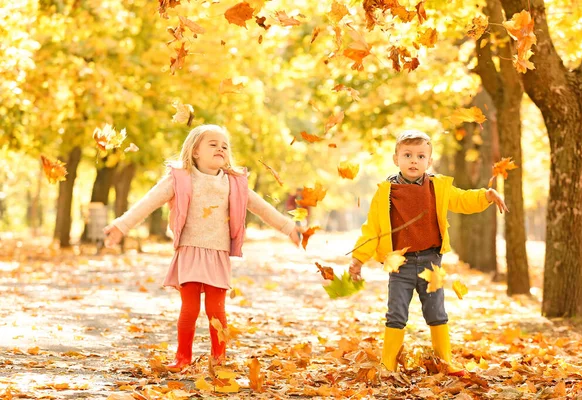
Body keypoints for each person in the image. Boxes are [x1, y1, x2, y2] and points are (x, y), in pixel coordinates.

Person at [103, 124, 301, 371]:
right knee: (190, 309)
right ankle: (182, 358)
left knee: (216, 311)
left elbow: (261, 208)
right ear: (195, 151)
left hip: (217, 254)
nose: (220, 148)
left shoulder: (234, 183)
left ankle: (218, 360)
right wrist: (121, 226)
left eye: (225, 146)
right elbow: (148, 202)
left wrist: (288, 227)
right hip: (189, 251)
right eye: (213, 144)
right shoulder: (180, 179)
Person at [348, 130, 508, 376]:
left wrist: (485, 195)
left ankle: (444, 362)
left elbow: (462, 199)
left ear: (429, 161)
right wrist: (358, 259)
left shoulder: (437, 187)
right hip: (399, 263)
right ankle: (387, 364)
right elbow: (373, 229)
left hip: (430, 261)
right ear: (396, 159)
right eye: (408, 155)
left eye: (421, 156)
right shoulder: (386, 192)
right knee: (396, 314)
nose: (414, 161)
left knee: (436, 312)